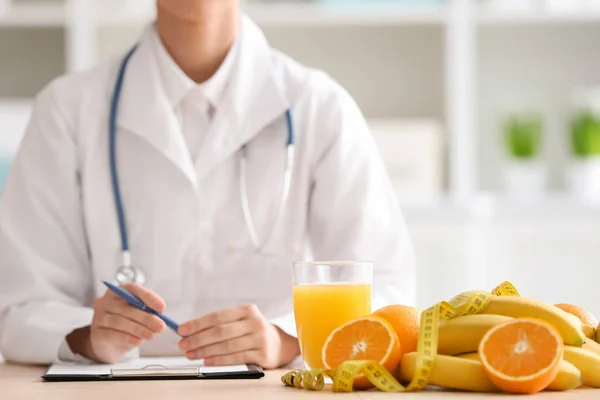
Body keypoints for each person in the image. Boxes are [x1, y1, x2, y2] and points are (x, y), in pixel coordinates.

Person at [0, 0, 416, 368]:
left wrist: (285, 338)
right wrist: (89, 336)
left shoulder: (320, 106)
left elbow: (388, 288)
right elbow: (18, 307)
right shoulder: (67, 110)